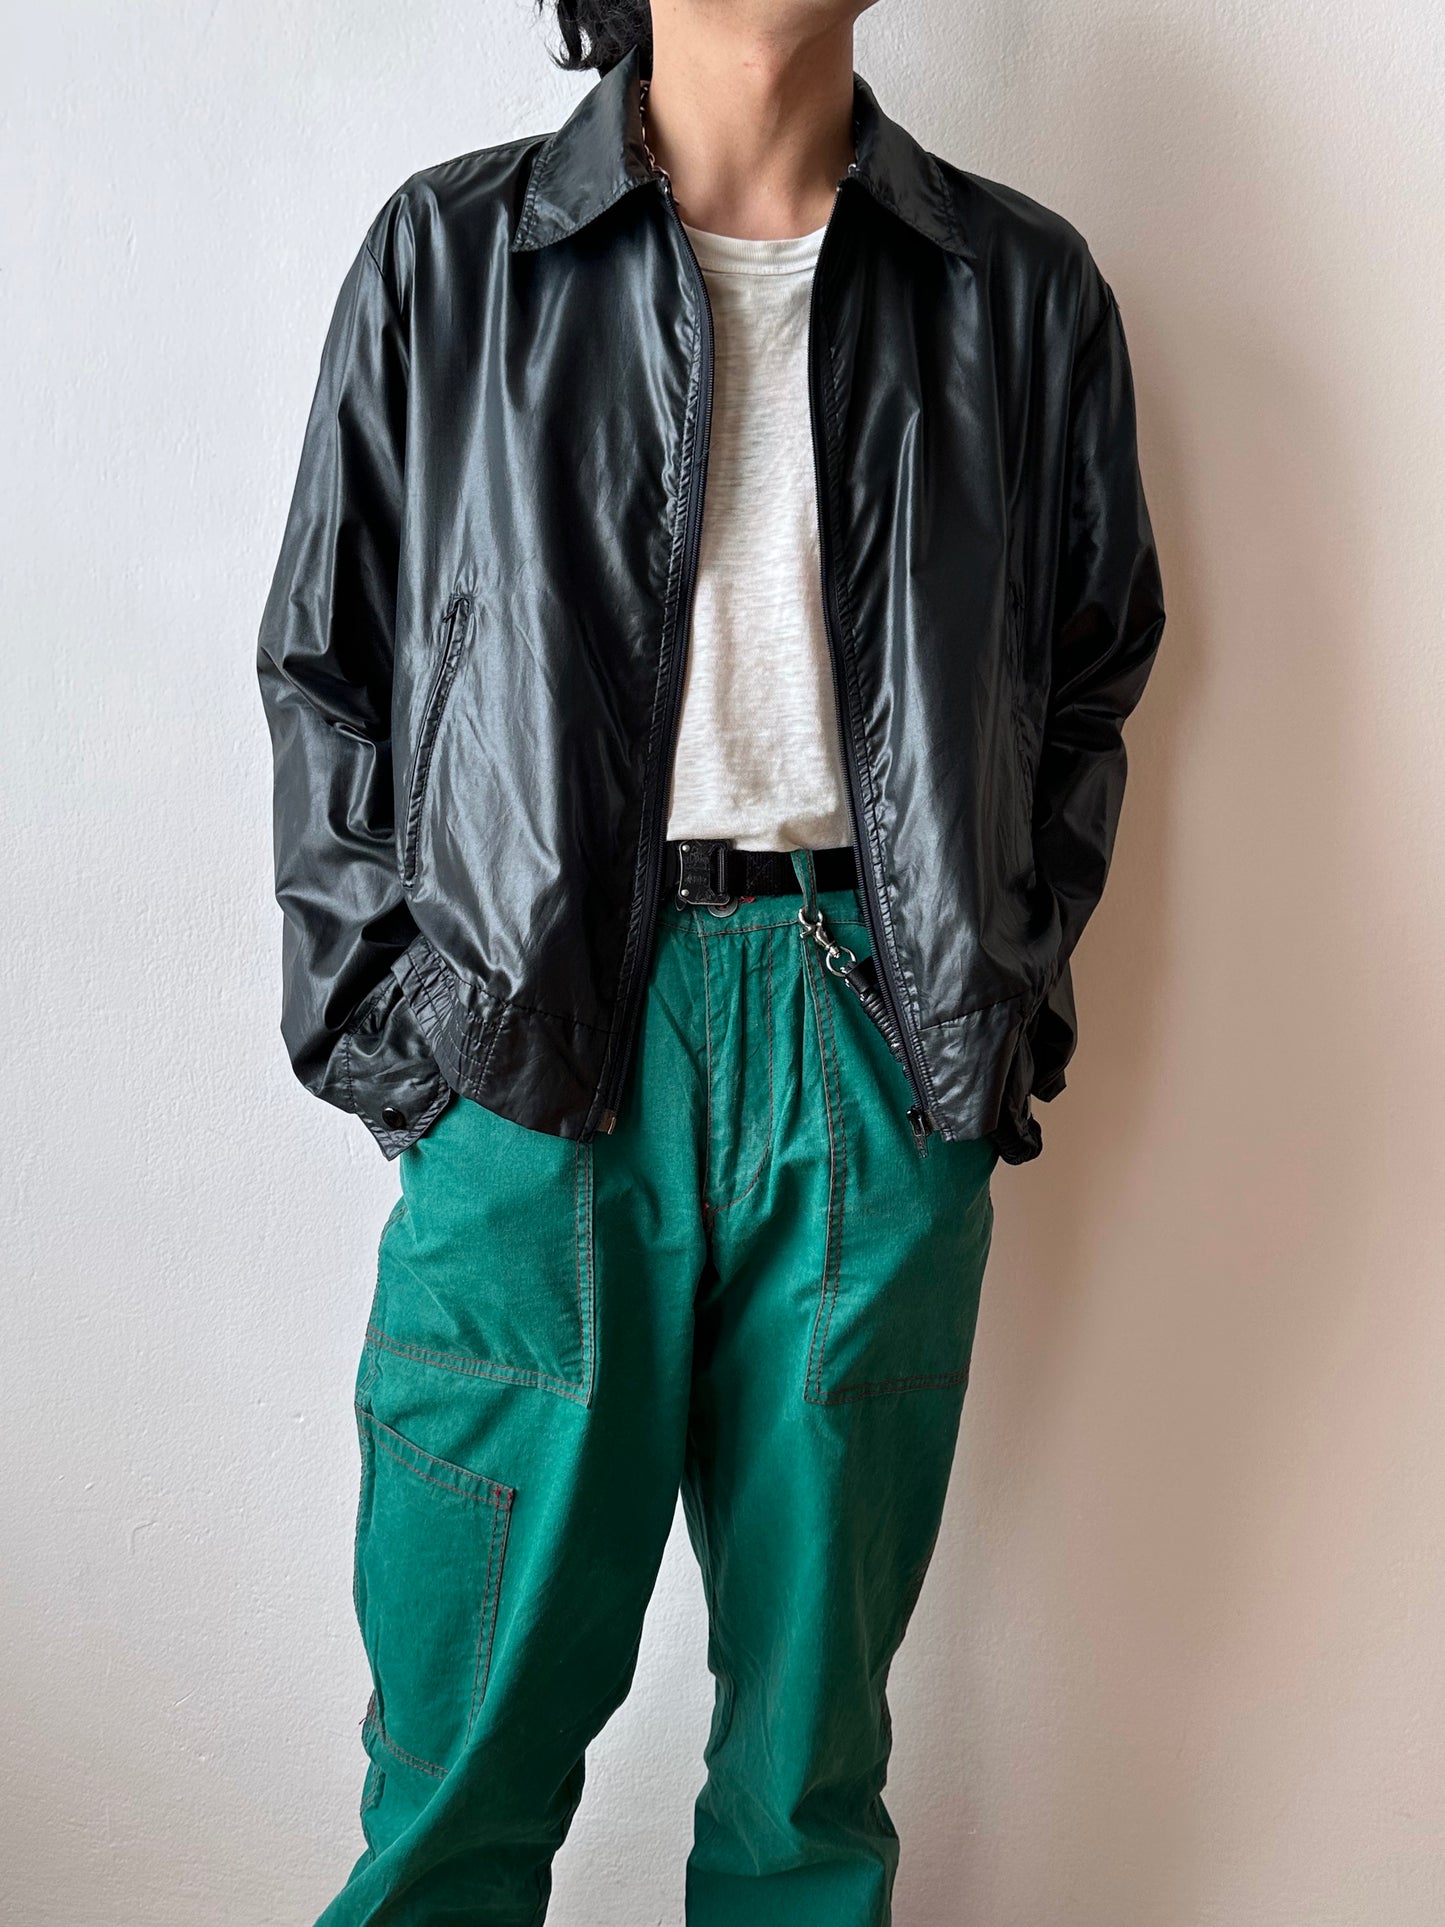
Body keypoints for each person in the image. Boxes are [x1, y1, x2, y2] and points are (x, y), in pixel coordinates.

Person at [256, 0, 1165, 1920]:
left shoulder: (1018, 290)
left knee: (803, 1799)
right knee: (453, 1792)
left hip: (872, 1060)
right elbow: (325, 668)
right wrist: (406, 1050)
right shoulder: (456, 256)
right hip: (533, 1057)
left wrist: (992, 1007)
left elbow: (1089, 679)